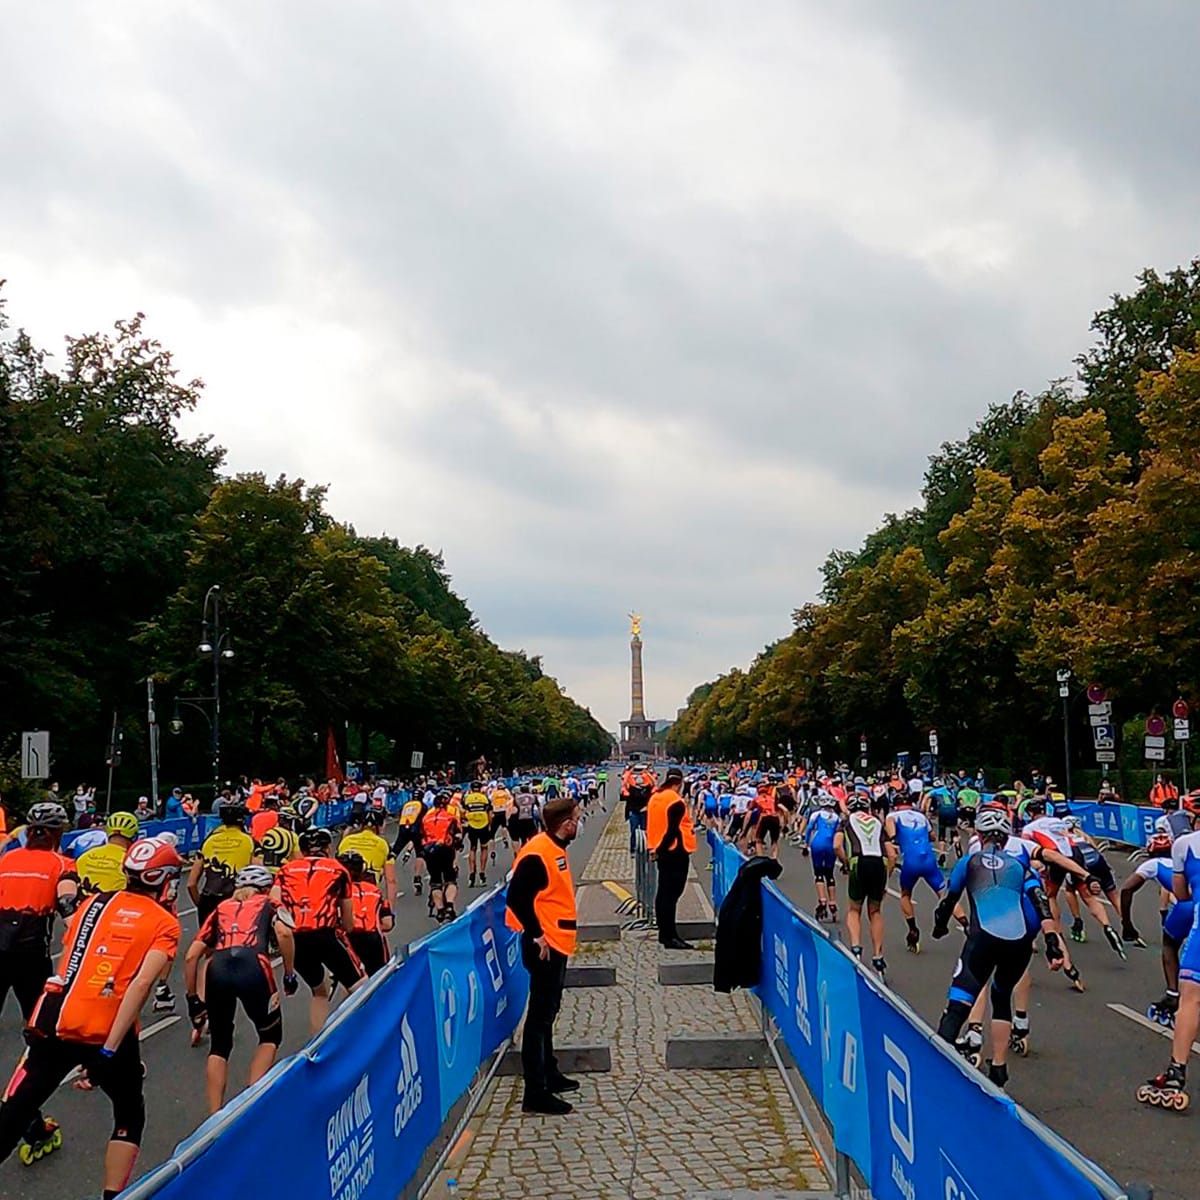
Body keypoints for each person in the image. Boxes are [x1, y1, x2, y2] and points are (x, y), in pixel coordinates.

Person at [0, 836, 183, 1192]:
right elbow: (141, 984)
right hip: (106, 1028)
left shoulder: (93, 904)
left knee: (14, 1112)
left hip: (53, 1019)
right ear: (162, 879)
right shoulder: (165, 923)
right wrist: (108, 1052)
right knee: (129, 1112)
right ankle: (112, 1195)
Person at [933, 808, 1064, 1088]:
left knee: (958, 1004)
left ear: (979, 836)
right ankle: (999, 1069)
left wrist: (940, 926)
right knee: (1001, 997)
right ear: (1006, 839)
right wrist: (1052, 943)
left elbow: (948, 901)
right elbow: (1042, 905)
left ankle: (936, 1075)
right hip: (1018, 944)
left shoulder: (969, 861)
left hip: (983, 939)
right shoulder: (1020, 865)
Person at [0, 802, 79, 1163]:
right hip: (30, 955)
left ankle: (28, 1122)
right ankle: (28, 1123)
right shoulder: (63, 865)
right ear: (59, 834)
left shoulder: (4, 861)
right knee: (39, 1039)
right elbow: (68, 910)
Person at [183, 864, 296, 1113]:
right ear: (266, 889)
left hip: (218, 968)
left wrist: (192, 997)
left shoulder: (221, 908)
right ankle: (250, 1101)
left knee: (220, 1044)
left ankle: (215, 1115)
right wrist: (289, 973)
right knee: (269, 1036)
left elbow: (192, 956)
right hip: (255, 966)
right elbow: (285, 934)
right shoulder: (271, 904)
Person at [505, 798, 581, 1115]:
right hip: (544, 944)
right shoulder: (539, 853)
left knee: (548, 1012)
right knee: (539, 1017)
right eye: (577, 818)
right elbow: (516, 898)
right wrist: (536, 934)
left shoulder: (552, 847)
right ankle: (535, 1092)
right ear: (565, 824)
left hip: (555, 940)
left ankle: (549, 1071)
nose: (580, 821)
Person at [273, 828, 365, 1035]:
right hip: (326, 934)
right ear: (327, 848)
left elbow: (274, 907)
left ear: (302, 850)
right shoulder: (339, 869)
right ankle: (366, 1037)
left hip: (296, 939)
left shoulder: (285, 870)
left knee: (319, 992)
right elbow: (348, 920)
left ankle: (317, 1047)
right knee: (361, 987)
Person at [835, 794, 893, 979]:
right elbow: (892, 855)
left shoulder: (846, 821)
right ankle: (878, 955)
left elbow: (837, 845)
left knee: (854, 909)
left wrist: (845, 862)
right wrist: (887, 877)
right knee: (875, 911)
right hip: (879, 863)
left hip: (858, 862)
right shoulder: (877, 822)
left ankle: (856, 948)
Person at [886, 793, 946, 953]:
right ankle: (964, 924)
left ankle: (913, 929)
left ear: (896, 805)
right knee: (945, 895)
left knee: (905, 894)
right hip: (928, 860)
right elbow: (932, 836)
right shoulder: (920, 816)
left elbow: (892, 838)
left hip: (910, 861)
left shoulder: (892, 816)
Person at [646, 767, 697, 950]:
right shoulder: (676, 801)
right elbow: (672, 830)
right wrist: (661, 849)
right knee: (672, 895)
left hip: (661, 850)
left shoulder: (656, 797)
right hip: (675, 851)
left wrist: (656, 849)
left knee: (663, 894)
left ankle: (664, 933)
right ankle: (670, 936)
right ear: (680, 782)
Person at [188, 799, 255, 927]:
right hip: (235, 899)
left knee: (206, 944)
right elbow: (258, 876)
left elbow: (191, 883)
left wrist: (201, 905)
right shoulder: (249, 841)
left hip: (209, 900)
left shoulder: (208, 841)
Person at [338, 851, 393, 976]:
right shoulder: (374, 890)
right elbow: (387, 923)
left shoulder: (338, 892)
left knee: (355, 981)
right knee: (380, 978)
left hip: (349, 938)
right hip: (374, 939)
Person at [337, 809, 400, 904]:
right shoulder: (383, 844)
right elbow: (391, 880)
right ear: (380, 826)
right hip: (368, 891)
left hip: (344, 890)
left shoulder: (346, 840)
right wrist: (390, 911)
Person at [420, 793, 462, 922]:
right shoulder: (450, 817)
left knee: (435, 881)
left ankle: (439, 910)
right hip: (445, 849)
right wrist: (458, 845)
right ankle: (449, 907)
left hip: (429, 850)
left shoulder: (426, 818)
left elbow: (421, 836)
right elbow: (458, 836)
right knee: (450, 878)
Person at [76, 811, 140, 895]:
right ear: (134, 837)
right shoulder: (132, 864)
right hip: (114, 905)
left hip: (82, 905)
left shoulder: (84, 857)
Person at [804, 797, 841, 922]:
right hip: (831, 845)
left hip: (817, 844)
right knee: (829, 874)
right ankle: (833, 902)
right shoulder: (837, 817)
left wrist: (806, 844)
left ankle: (822, 900)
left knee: (818, 873)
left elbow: (809, 829)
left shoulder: (817, 814)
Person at [392, 792, 427, 895]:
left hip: (403, 829)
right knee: (420, 854)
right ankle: (417, 878)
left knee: (394, 852)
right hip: (415, 829)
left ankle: (386, 874)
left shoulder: (406, 805)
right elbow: (423, 820)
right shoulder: (422, 806)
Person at [462, 782, 493, 887]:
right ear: (480, 789)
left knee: (472, 848)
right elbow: (490, 813)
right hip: (483, 824)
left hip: (472, 824)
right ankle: (482, 873)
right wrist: (490, 826)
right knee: (484, 848)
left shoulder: (467, 798)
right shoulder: (485, 798)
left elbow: (463, 812)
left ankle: (471, 874)